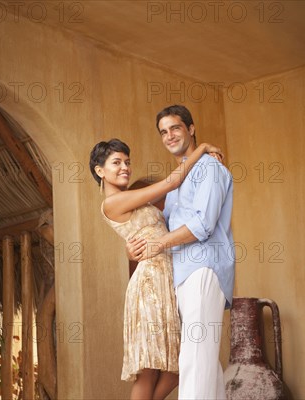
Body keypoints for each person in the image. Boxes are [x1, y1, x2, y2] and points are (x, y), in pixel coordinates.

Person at [89, 138, 223, 400]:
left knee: (176, 369)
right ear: (99, 171)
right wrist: (202, 149)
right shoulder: (113, 203)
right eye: (116, 163)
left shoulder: (131, 201)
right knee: (149, 370)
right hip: (149, 284)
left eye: (127, 162)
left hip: (166, 279)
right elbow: (170, 183)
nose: (125, 167)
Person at [127, 105, 235, 399]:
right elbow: (160, 225)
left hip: (203, 268)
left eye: (175, 128)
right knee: (205, 364)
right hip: (183, 274)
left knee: (192, 359)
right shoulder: (179, 180)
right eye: (163, 131)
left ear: (191, 128)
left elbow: (203, 223)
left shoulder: (210, 168)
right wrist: (134, 242)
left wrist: (159, 245)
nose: (169, 135)